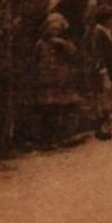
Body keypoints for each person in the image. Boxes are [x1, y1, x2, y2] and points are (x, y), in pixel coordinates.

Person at [32, 12, 81, 145]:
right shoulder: (41, 44)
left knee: (65, 107)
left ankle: (65, 135)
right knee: (49, 110)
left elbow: (74, 55)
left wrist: (64, 45)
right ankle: (49, 138)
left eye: (57, 29)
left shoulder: (65, 43)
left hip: (62, 80)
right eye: (51, 28)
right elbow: (35, 60)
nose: (54, 32)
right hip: (47, 81)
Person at [86, 5, 112, 140]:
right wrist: (103, 70)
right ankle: (101, 128)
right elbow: (97, 54)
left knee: (106, 96)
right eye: (111, 18)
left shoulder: (106, 31)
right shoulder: (98, 33)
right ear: (105, 19)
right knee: (101, 97)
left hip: (108, 69)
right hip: (101, 70)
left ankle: (105, 126)